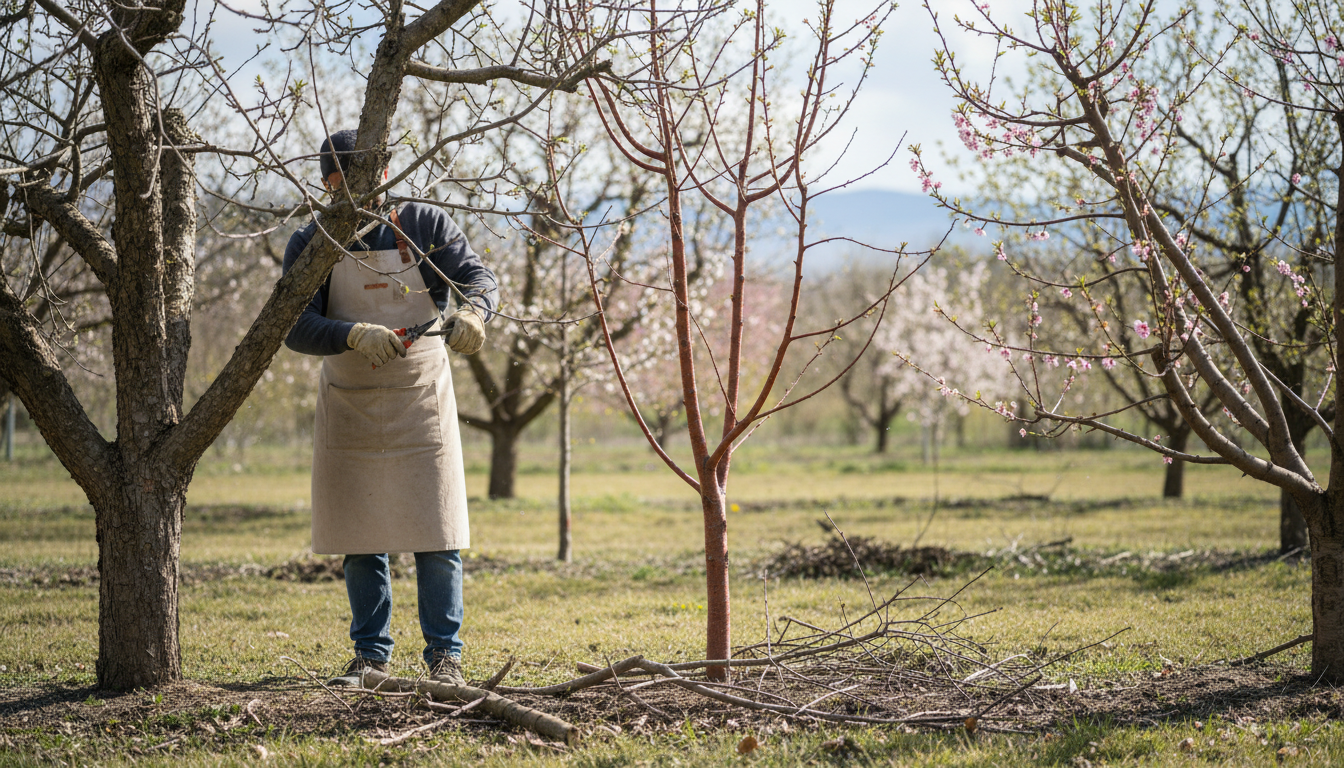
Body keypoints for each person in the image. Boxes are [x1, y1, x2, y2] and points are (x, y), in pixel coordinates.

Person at [281, 129, 498, 687]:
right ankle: (371, 657)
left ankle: (444, 659)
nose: (342, 198)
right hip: (349, 397)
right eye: (331, 187)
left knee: (437, 530)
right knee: (360, 536)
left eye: (352, 184)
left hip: (419, 394)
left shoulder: (423, 225)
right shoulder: (311, 243)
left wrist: (475, 313)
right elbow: (293, 326)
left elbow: (478, 277)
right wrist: (352, 333)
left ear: (380, 177)